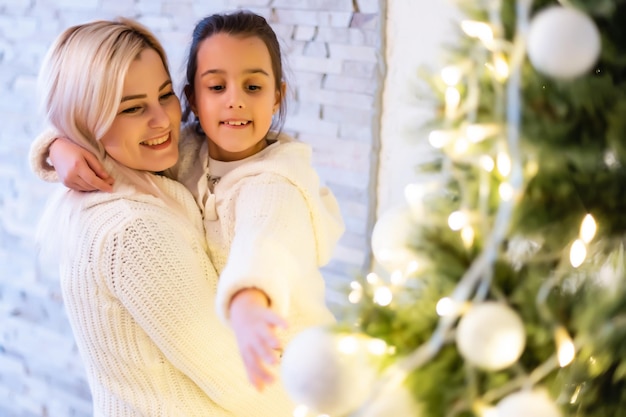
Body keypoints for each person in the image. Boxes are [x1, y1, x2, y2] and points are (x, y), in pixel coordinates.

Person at [31, 11, 345, 394]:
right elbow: (85, 112)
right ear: (193, 99)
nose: (235, 102)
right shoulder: (185, 152)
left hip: (292, 360)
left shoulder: (275, 182)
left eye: (253, 87)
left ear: (278, 96)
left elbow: (265, 240)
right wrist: (58, 146)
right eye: (217, 87)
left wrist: (249, 299)